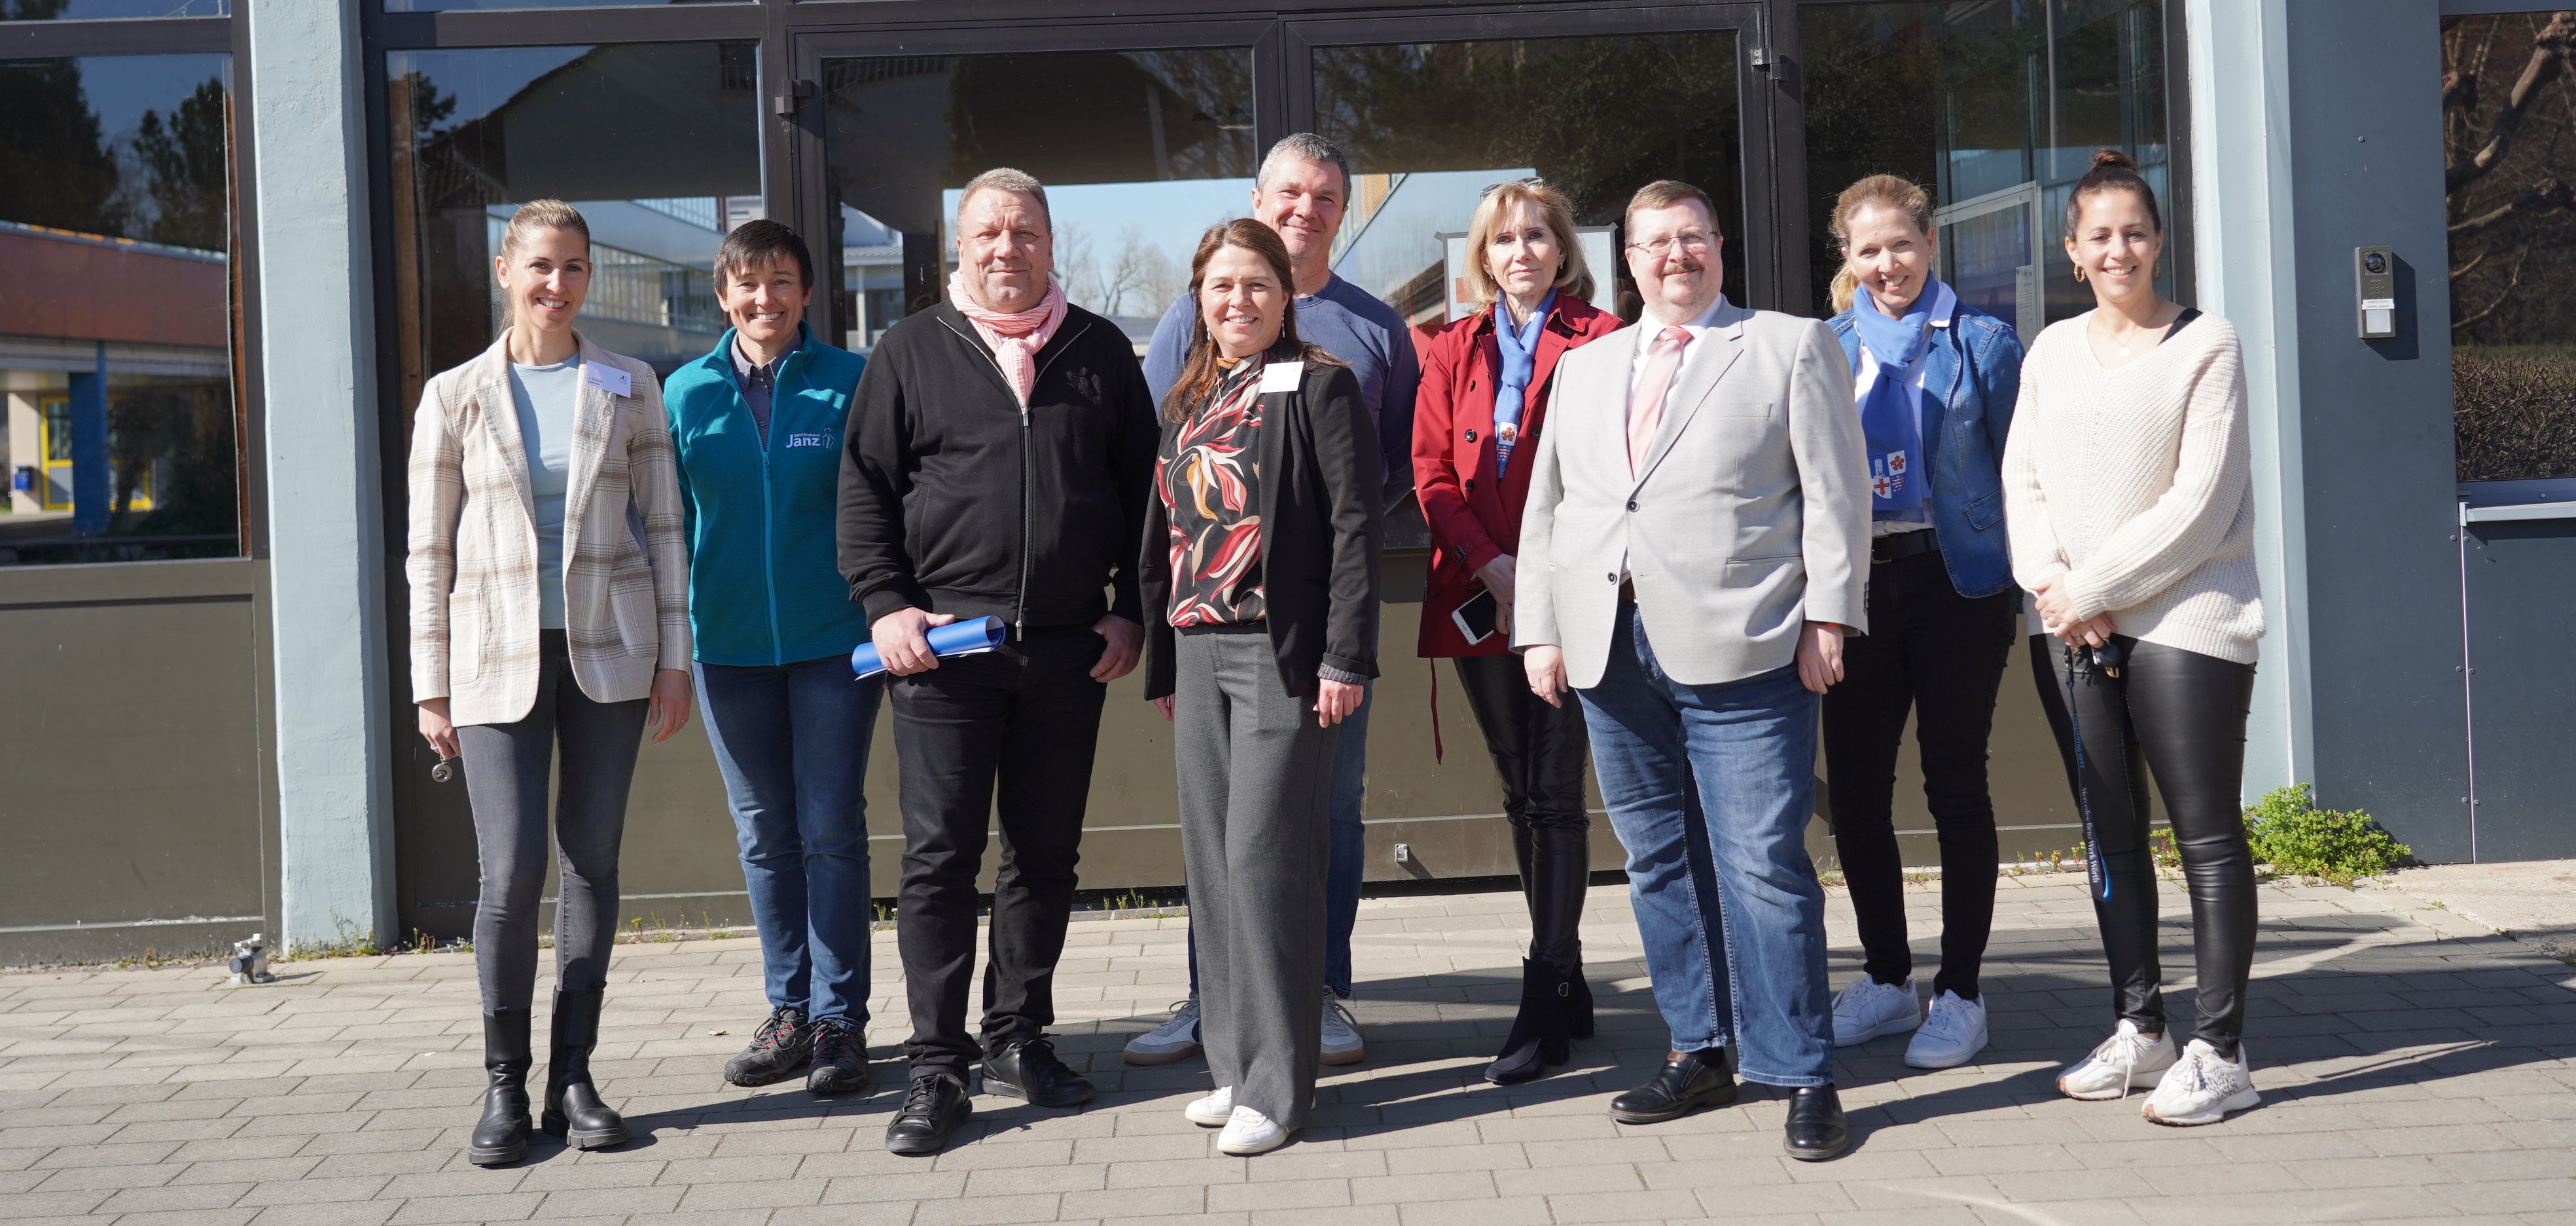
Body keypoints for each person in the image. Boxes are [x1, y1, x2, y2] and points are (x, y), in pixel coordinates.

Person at [1516, 180, 1867, 1161]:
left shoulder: (1788, 345)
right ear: (1625, 259)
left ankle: (1801, 1068)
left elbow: (1835, 497)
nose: (1676, 255)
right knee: (1658, 859)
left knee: (1763, 864)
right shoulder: (1584, 367)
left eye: (1693, 238)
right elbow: (1552, 510)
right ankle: (1700, 1045)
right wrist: (1540, 629)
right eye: (1655, 242)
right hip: (1609, 649)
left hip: (1749, 642)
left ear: (1720, 245)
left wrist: (1830, 615)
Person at [838, 168, 1160, 1156]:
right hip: (942, 656)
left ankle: (1019, 1032)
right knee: (939, 859)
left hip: (1067, 653)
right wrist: (886, 605)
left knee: (1044, 854)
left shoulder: (1101, 350)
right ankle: (937, 1065)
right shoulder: (908, 350)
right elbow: (863, 492)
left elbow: (1147, 495)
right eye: (987, 231)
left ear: (1050, 243)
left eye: (1023, 230)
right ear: (959, 246)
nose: (1005, 246)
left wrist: (1132, 612)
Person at [406, 199, 694, 1167]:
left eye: (574, 268)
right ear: (505, 270)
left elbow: (664, 530)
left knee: (592, 860)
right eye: (541, 266)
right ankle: (504, 1083)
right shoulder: (453, 396)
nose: (558, 285)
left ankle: (574, 1074)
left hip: (609, 655)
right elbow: (428, 549)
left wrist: (675, 660)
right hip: (492, 660)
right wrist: (429, 683)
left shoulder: (627, 383)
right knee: (511, 868)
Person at [1127, 131, 1418, 1069]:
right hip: (1215, 627)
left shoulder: (1375, 330)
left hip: (1312, 628)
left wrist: (1343, 633)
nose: (1306, 209)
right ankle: (1215, 993)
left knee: (1328, 810)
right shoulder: (1193, 314)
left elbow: (1391, 480)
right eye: (1289, 192)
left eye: (1326, 196)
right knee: (1224, 823)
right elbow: (1166, 462)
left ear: (1343, 210)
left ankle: (1319, 989)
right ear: (1260, 195)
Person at [2003, 149, 2264, 1127]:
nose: (2119, 248)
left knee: (2204, 836)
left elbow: (2201, 504)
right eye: (2099, 235)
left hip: (2189, 617)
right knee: (2109, 831)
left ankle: (2222, 1047)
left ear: (2159, 241)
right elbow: (2020, 480)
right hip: (2074, 619)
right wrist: (2056, 589)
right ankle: (2143, 1027)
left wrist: (2092, 588)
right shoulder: (2050, 351)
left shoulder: (2209, 344)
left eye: (2135, 231)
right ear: (2073, 251)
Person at [1410, 179, 1620, 1084]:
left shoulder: (1601, 338)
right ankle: (1565, 975)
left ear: (1563, 247)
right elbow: (1430, 472)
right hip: (1474, 589)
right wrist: (1490, 562)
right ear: (1484, 256)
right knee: (1515, 788)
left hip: (1568, 596)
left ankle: (1546, 986)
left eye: (1538, 235)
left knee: (1555, 790)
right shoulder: (1451, 346)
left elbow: (1610, 469)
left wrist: (1533, 569)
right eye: (1505, 239)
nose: (1522, 251)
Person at [665, 220, 879, 1097]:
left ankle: (839, 1020)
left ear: (807, 293)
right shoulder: (681, 394)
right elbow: (666, 524)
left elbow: (885, 505)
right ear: (723, 295)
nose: (766, 300)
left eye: (782, 282)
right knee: (763, 831)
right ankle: (788, 1009)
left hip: (835, 643)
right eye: (748, 285)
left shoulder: (852, 383)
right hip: (729, 649)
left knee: (829, 827)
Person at [1816, 175, 2026, 1070]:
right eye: (1868, 250)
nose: (1886, 264)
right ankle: (1886, 977)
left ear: (1930, 245)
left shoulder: (1983, 342)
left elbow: (2026, 469)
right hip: (1857, 588)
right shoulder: (1822, 347)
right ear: (1847, 259)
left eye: (1900, 245)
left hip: (1956, 584)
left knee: (1954, 785)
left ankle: (1963, 991)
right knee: (1859, 790)